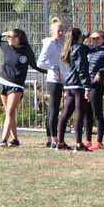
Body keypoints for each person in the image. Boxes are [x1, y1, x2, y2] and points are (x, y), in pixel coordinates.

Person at [0, 26, 34, 148]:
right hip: (3, 81)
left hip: (16, 85)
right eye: (7, 37)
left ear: (18, 39)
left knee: (10, 111)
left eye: (11, 37)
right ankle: (15, 140)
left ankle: (3, 140)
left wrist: (49, 71)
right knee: (9, 113)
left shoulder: (26, 50)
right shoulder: (6, 46)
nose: (8, 38)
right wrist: (4, 33)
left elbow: (35, 64)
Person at [56, 27, 88, 151]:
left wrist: (84, 37)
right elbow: (81, 69)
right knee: (79, 115)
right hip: (78, 85)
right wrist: (87, 86)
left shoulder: (69, 48)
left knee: (65, 114)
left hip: (69, 85)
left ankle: (60, 142)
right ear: (77, 37)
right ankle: (79, 144)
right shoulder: (79, 49)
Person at [38, 17, 65, 148]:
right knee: (53, 110)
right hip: (53, 81)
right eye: (59, 30)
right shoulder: (49, 43)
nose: (61, 33)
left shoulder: (59, 45)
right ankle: (54, 139)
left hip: (60, 81)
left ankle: (50, 139)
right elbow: (40, 62)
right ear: (53, 31)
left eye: (62, 30)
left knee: (52, 111)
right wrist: (53, 68)